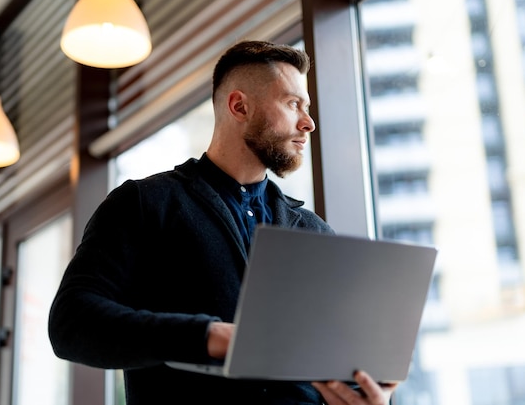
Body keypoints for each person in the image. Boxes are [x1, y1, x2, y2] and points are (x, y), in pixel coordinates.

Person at [48, 40, 398, 405]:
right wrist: (209, 336)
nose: (308, 123)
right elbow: (71, 323)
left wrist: (363, 392)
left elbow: (331, 361)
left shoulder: (314, 232)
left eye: (306, 108)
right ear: (239, 106)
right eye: (294, 104)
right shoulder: (144, 204)